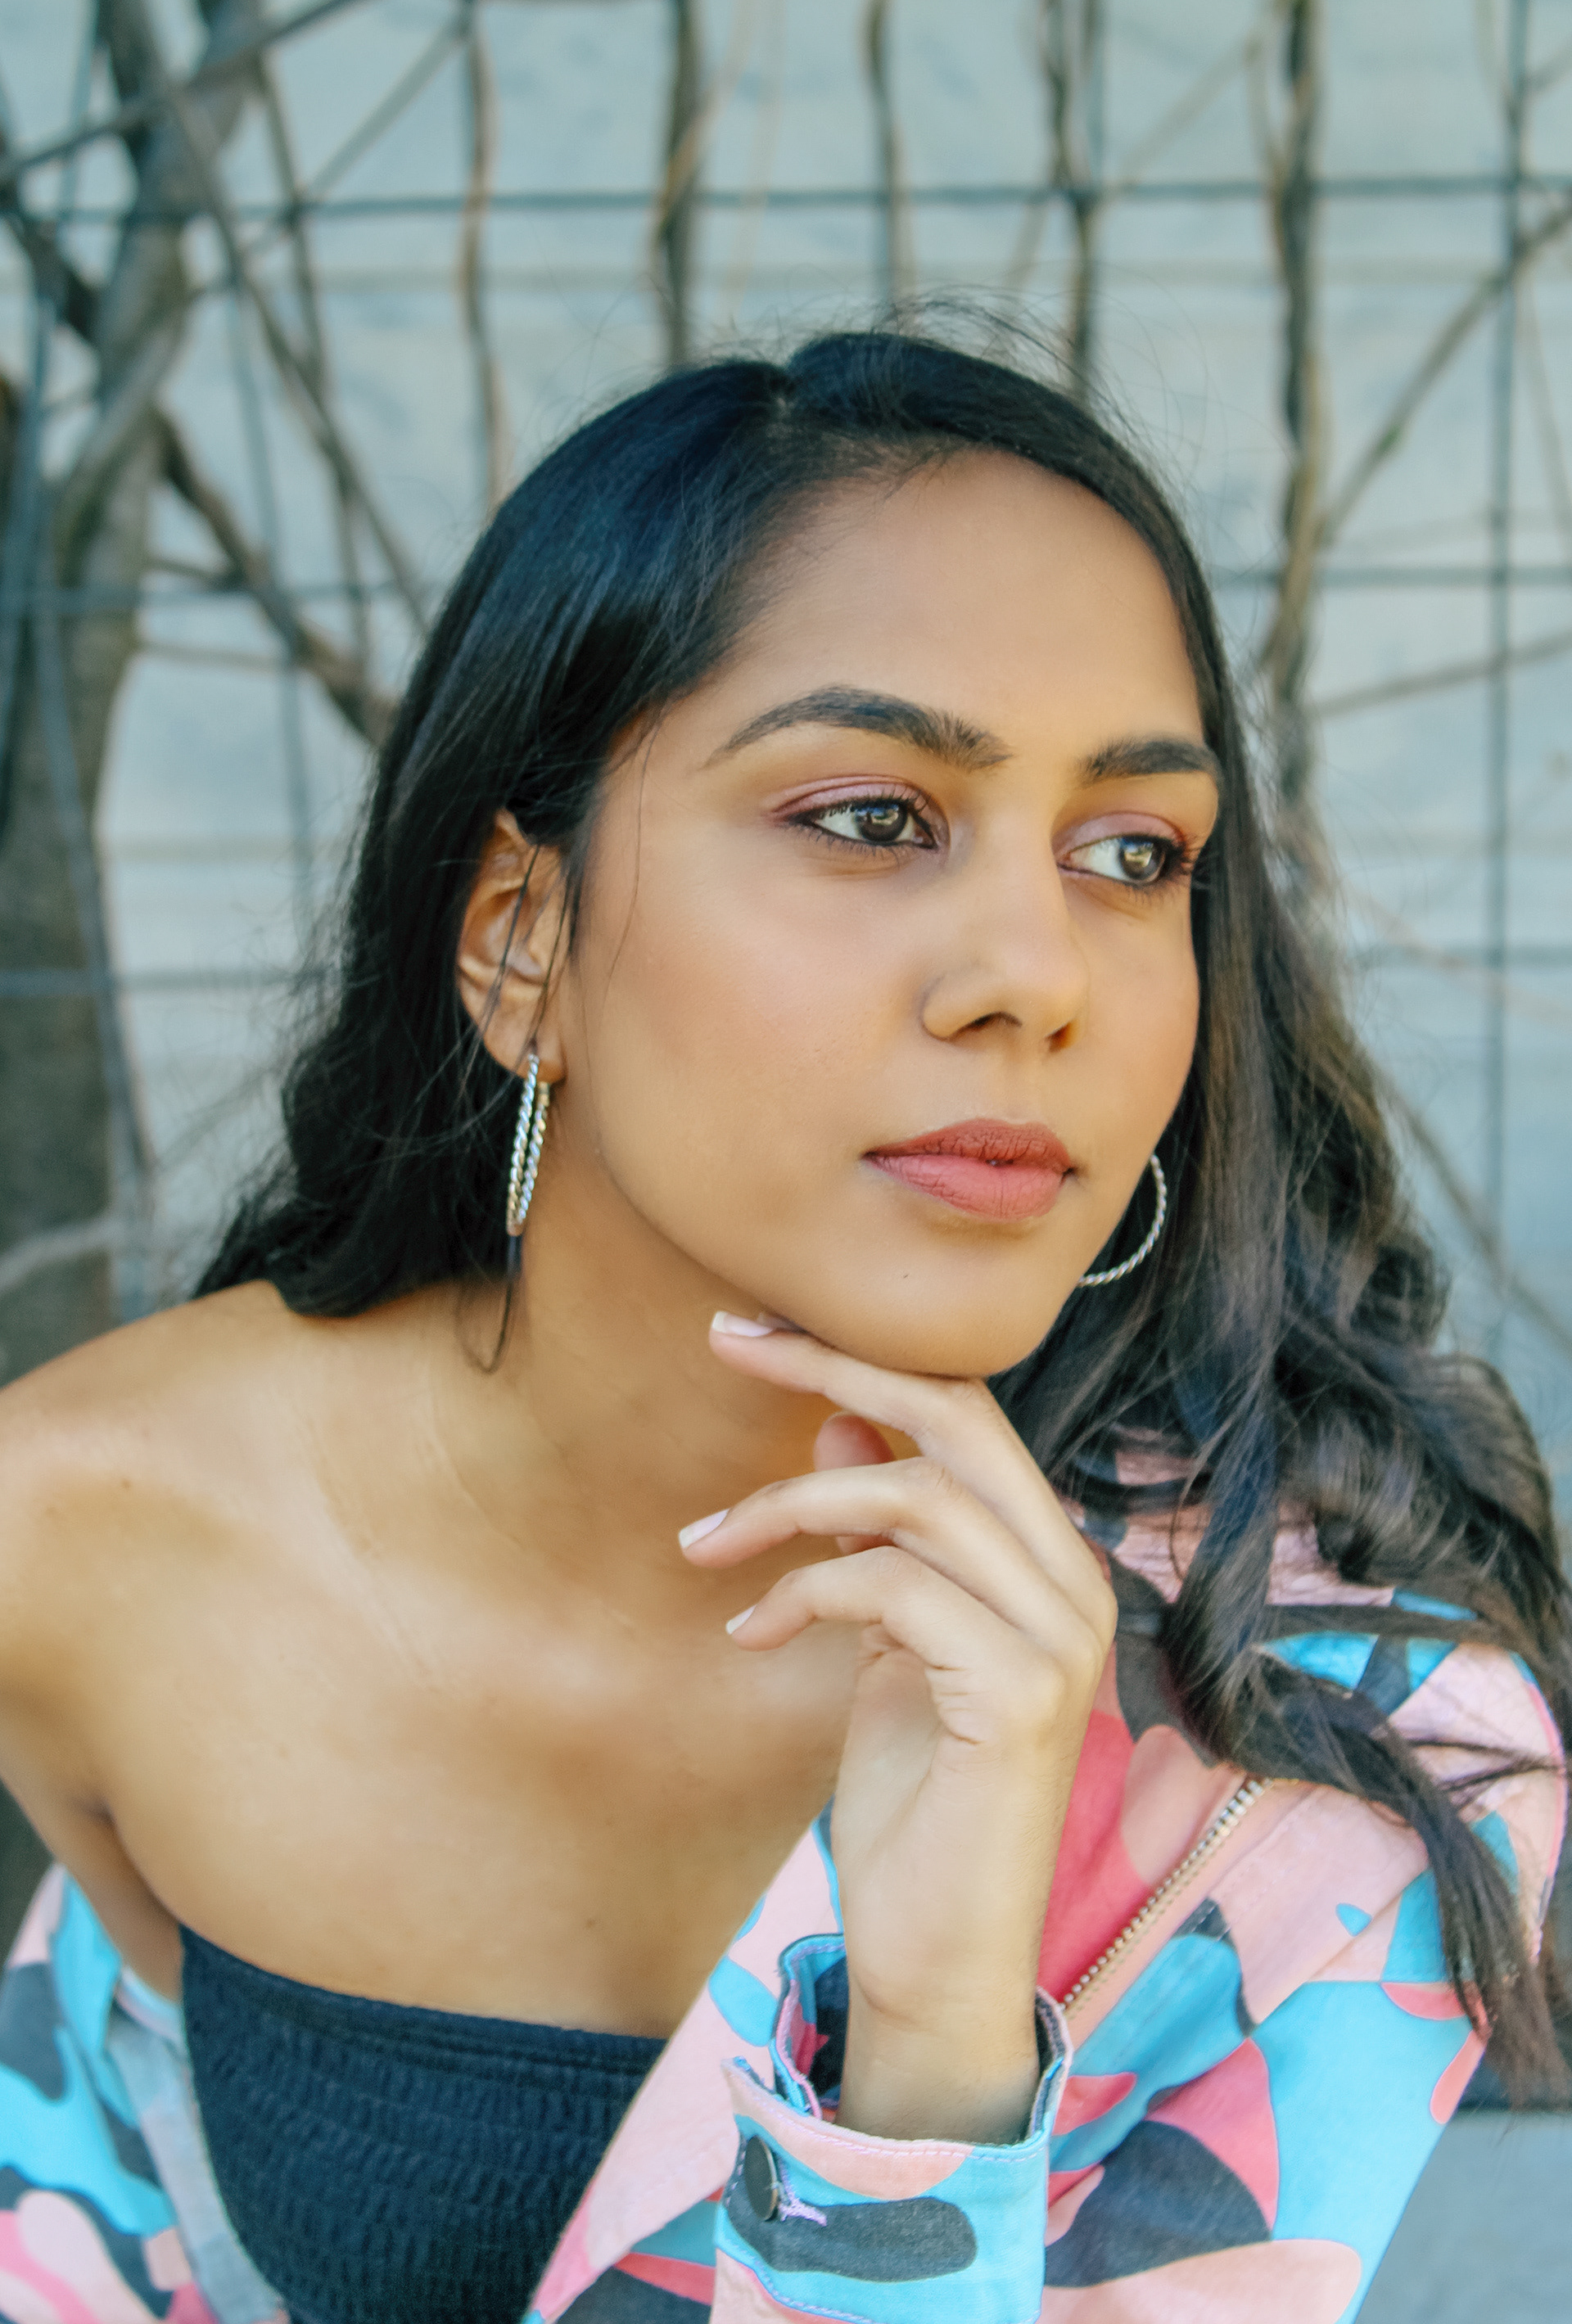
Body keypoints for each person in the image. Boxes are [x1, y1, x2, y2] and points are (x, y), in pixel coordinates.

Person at [0, 327, 1564, 2324]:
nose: (1039, 979)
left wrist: (931, 2058)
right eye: (870, 817)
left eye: (1133, 855)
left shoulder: (1331, 1735)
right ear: (520, 937)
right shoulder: (87, 1534)